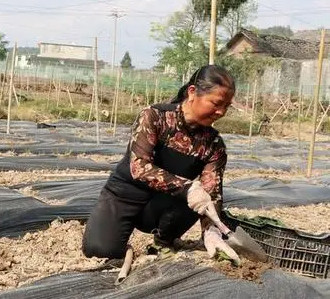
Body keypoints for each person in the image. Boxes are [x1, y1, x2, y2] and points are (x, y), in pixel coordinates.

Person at [82, 65, 241, 265]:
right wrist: (188, 187)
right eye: (216, 103)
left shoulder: (214, 145)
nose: (221, 112)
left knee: (199, 197)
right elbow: (139, 167)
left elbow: (212, 193)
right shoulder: (155, 117)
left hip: (165, 204)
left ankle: (163, 241)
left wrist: (211, 231)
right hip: (125, 194)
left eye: (227, 106)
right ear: (192, 92)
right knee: (100, 250)